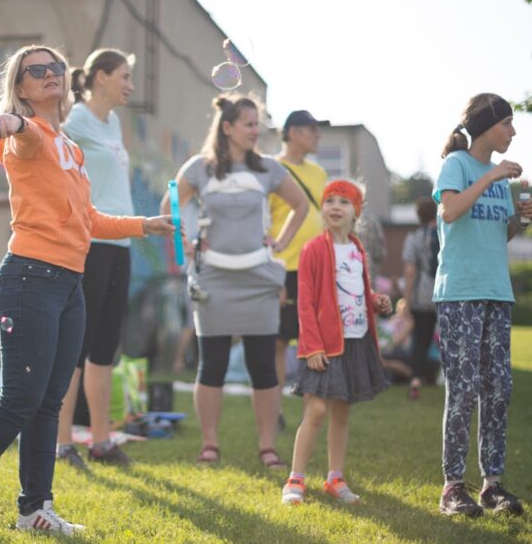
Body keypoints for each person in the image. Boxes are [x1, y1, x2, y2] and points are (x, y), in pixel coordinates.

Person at [0, 45, 174, 536]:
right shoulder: (28, 137)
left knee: (48, 401)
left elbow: (88, 219)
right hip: (29, 278)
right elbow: (22, 137)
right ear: (20, 87)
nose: (50, 75)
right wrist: (11, 122)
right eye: (36, 70)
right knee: (19, 399)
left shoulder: (70, 146)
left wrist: (143, 225)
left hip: (68, 284)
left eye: (56, 68)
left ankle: (35, 509)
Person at [162, 94, 308, 469]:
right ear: (227, 127)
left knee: (263, 365)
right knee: (212, 365)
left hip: (259, 277)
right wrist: (184, 246)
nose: (256, 130)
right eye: (248, 124)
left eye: (257, 124)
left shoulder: (268, 168)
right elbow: (169, 208)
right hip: (213, 278)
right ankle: (209, 444)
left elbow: (301, 205)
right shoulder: (200, 168)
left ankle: (267, 446)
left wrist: (281, 242)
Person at [432, 93, 531, 518]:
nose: (513, 131)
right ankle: (453, 486)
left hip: (496, 292)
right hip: (460, 292)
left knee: (499, 389)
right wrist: (492, 178)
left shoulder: (500, 180)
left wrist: (521, 218)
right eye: (507, 123)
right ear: (486, 126)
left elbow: (499, 234)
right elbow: (450, 211)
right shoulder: (457, 164)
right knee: (464, 388)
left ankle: (492, 485)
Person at [282, 180, 392, 506]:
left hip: (354, 342)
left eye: (343, 201)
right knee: (316, 410)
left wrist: (374, 300)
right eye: (329, 200)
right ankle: (295, 479)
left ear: (356, 211)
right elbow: (305, 302)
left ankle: (335, 478)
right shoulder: (313, 248)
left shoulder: (357, 249)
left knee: (342, 411)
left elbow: (353, 291)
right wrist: (313, 346)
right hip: (323, 345)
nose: (335, 207)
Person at [56, 48, 137, 470]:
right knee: (77, 344)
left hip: (121, 243)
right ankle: (62, 443)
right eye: (125, 76)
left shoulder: (114, 122)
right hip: (90, 243)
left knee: (105, 346)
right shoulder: (75, 121)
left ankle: (101, 442)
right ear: (101, 77)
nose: (130, 85)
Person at [268, 109, 329, 431]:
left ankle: (310, 410)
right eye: (311, 130)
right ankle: (275, 410)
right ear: (292, 132)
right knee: (279, 342)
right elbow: (264, 221)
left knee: (312, 342)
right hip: (284, 268)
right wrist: (270, 271)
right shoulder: (271, 169)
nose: (317, 136)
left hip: (316, 269)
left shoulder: (319, 173)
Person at [401, 197, 439, 399]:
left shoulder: (414, 237)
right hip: (448, 293)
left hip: (422, 296)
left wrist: (407, 301)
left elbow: (410, 271)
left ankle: (415, 381)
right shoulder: (447, 233)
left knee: (420, 341)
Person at [378, 297, 414, 383]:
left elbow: (400, 339)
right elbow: (386, 334)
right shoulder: (394, 320)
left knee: (383, 359)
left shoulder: (409, 321)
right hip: (392, 348)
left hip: (403, 350)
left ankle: (412, 375)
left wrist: (386, 347)